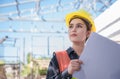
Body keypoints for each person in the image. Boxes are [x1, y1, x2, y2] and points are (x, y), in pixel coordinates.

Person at [46, 9, 96, 79]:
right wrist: (67, 72)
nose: (73, 29)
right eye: (71, 26)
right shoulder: (57, 57)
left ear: (88, 33)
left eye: (79, 26)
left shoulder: (95, 58)